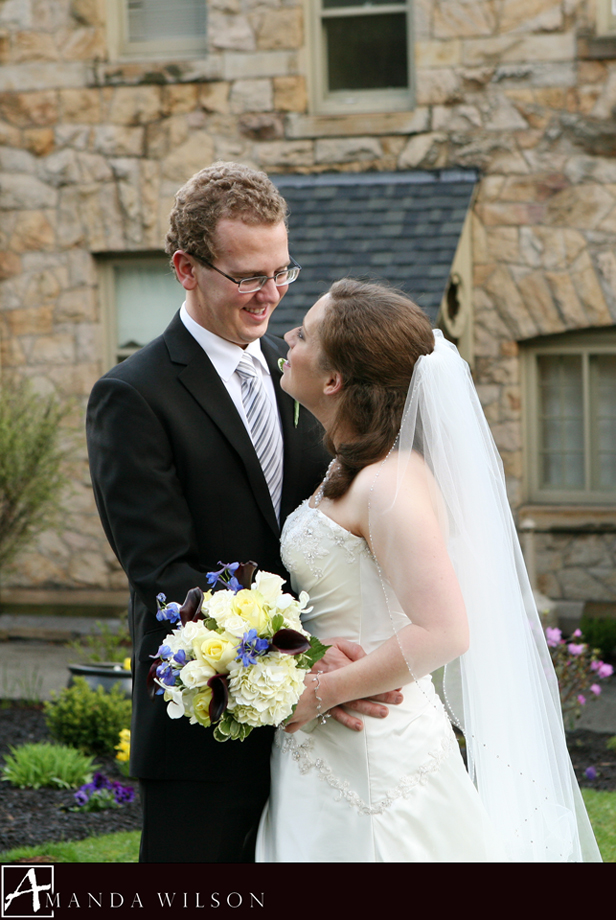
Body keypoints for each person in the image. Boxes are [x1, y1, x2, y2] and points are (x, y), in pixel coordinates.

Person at [86, 164, 394, 864]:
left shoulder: (308, 376)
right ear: (185, 269)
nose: (272, 295)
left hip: (326, 731)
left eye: (283, 271)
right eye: (249, 277)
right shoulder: (132, 396)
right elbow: (165, 576)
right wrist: (307, 665)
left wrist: (351, 661)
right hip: (207, 726)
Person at [256, 278, 601, 862]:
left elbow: (444, 630)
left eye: (305, 333)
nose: (288, 337)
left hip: (374, 747)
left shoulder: (390, 483)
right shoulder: (354, 467)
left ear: (335, 380)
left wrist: (322, 690)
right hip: (324, 745)